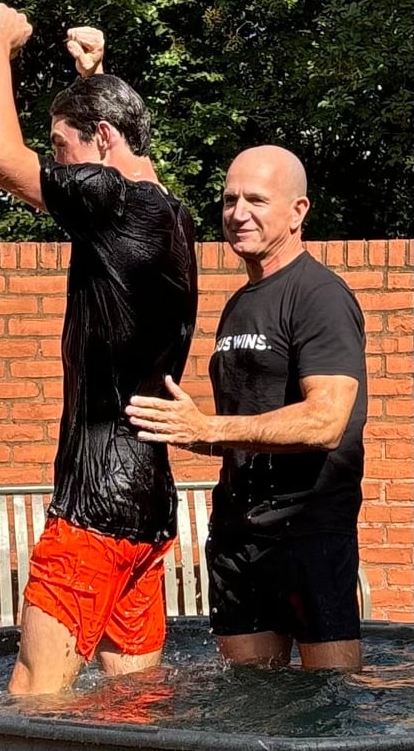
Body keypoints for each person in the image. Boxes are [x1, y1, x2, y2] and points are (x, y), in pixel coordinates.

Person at [0, 4, 198, 694]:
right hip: (148, 506)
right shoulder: (171, 213)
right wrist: (93, 76)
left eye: (61, 146)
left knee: (33, 699)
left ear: (100, 139)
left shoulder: (115, 201)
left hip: (94, 507)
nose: (59, 164)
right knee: (132, 705)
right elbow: (113, 144)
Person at [126, 144, 367, 672]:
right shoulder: (239, 303)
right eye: (229, 199)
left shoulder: (319, 296)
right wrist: (192, 431)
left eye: (256, 200)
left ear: (298, 212)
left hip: (308, 531)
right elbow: (247, 426)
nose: (238, 213)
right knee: (250, 702)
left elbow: (327, 420)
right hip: (239, 533)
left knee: (328, 705)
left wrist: (210, 425)